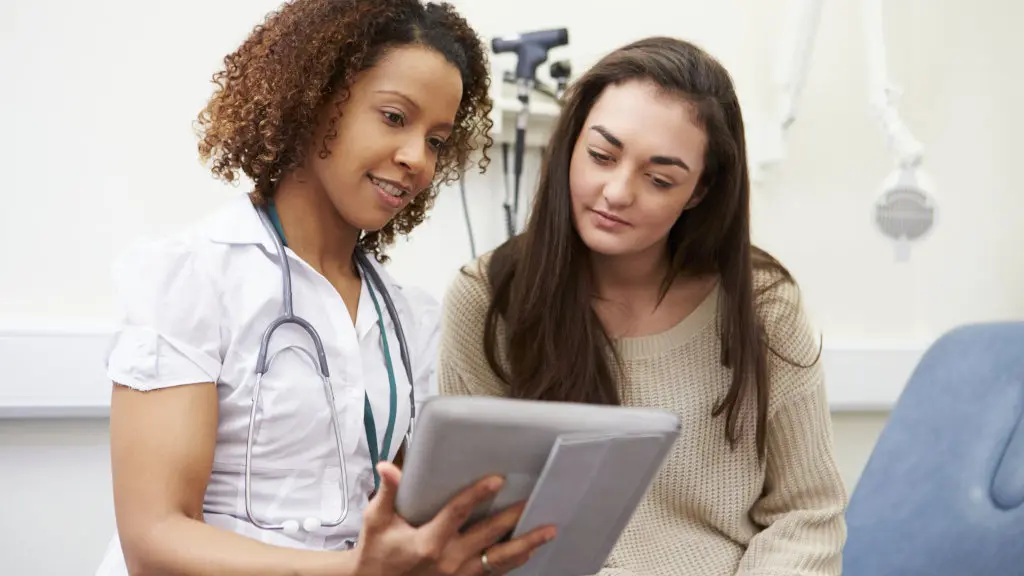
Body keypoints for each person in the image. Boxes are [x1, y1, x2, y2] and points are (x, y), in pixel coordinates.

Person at [95, 1, 556, 574]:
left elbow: (398, 513)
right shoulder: (192, 279)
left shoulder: (409, 319)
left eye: (437, 140)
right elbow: (154, 539)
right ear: (313, 101)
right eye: (394, 117)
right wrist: (354, 572)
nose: (416, 158)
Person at [438, 36, 848, 575]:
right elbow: (476, 524)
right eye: (601, 156)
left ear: (699, 191)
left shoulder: (764, 306)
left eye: (659, 179)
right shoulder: (489, 299)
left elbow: (808, 514)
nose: (616, 191)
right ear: (570, 145)